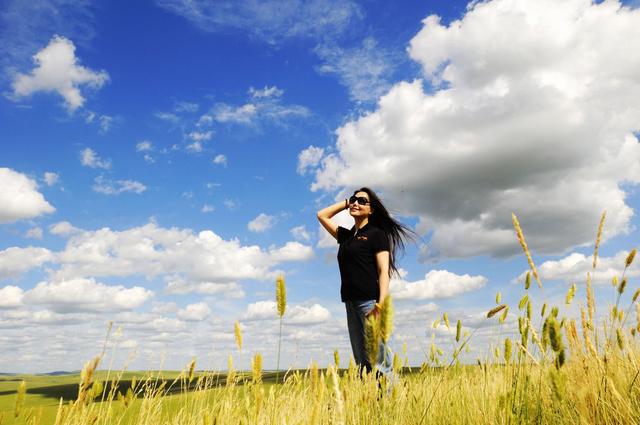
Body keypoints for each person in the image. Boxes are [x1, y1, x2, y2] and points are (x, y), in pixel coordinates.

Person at [317, 187, 413, 375]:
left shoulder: (376, 234)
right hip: (350, 302)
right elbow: (322, 215)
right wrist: (347, 203)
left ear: (371, 210)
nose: (356, 203)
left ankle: (392, 398)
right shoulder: (346, 236)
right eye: (354, 199)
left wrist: (381, 304)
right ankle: (370, 400)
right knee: (361, 361)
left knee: (379, 360)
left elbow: (384, 270)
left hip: (369, 302)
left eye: (362, 201)